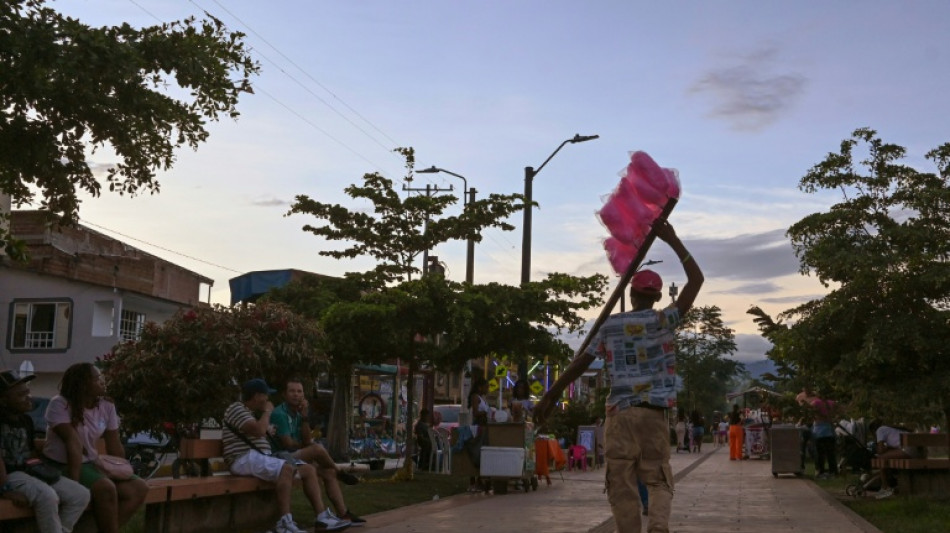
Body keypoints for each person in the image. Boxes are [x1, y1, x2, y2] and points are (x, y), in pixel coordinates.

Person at [535, 219, 703, 533]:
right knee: (658, 478)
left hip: (620, 413)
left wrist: (551, 394)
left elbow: (581, 364)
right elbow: (697, 280)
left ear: (631, 292)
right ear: (656, 297)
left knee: (621, 482)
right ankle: (657, 526)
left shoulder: (611, 326)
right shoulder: (665, 321)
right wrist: (674, 240)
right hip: (654, 415)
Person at [223, 378, 350, 532]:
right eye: (265, 395)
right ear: (256, 396)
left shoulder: (250, 412)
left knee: (309, 470)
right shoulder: (237, 408)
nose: (267, 399)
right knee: (286, 468)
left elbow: (304, 440)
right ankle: (284, 523)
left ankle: (322, 518)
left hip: (258, 457)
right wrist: (267, 411)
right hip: (242, 458)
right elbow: (258, 431)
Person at [42, 362, 148, 533]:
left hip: (91, 464)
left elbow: (114, 444)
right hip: (63, 465)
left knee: (139, 488)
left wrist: (122, 470)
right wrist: (74, 485)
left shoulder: (106, 406)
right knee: (106, 488)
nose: (102, 381)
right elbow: (73, 443)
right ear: (83, 384)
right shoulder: (60, 404)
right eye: (97, 379)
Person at [1, 370, 90, 533]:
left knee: (80, 494)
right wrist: (6, 491)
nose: (29, 397)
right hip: (9, 476)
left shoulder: (25, 420)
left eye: (28, 392)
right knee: (47, 496)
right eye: (21, 395)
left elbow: (30, 450)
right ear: (3, 400)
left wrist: (42, 468)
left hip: (28, 471)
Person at [270, 378, 365, 526]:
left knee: (328, 472)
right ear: (284, 394)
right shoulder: (280, 413)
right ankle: (339, 470)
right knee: (317, 449)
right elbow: (288, 444)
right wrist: (305, 446)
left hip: (296, 457)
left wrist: (305, 416)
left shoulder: (300, 414)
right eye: (292, 391)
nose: (296, 395)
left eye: (299, 391)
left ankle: (344, 514)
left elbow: (306, 441)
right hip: (281, 459)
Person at [868, 420, 917, 499]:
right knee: (885, 458)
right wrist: (886, 449)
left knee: (881, 458)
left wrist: (879, 449)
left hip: (908, 450)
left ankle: (885, 487)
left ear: (873, 430)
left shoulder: (879, 430)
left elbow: (880, 451)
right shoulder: (890, 429)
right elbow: (894, 446)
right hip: (915, 450)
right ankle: (891, 482)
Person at [796, 387, 838, 479]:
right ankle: (833, 472)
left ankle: (820, 471)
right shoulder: (832, 403)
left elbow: (808, 414)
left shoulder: (816, 403)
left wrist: (800, 422)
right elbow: (834, 415)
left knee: (819, 453)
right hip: (829, 430)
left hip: (819, 430)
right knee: (830, 453)